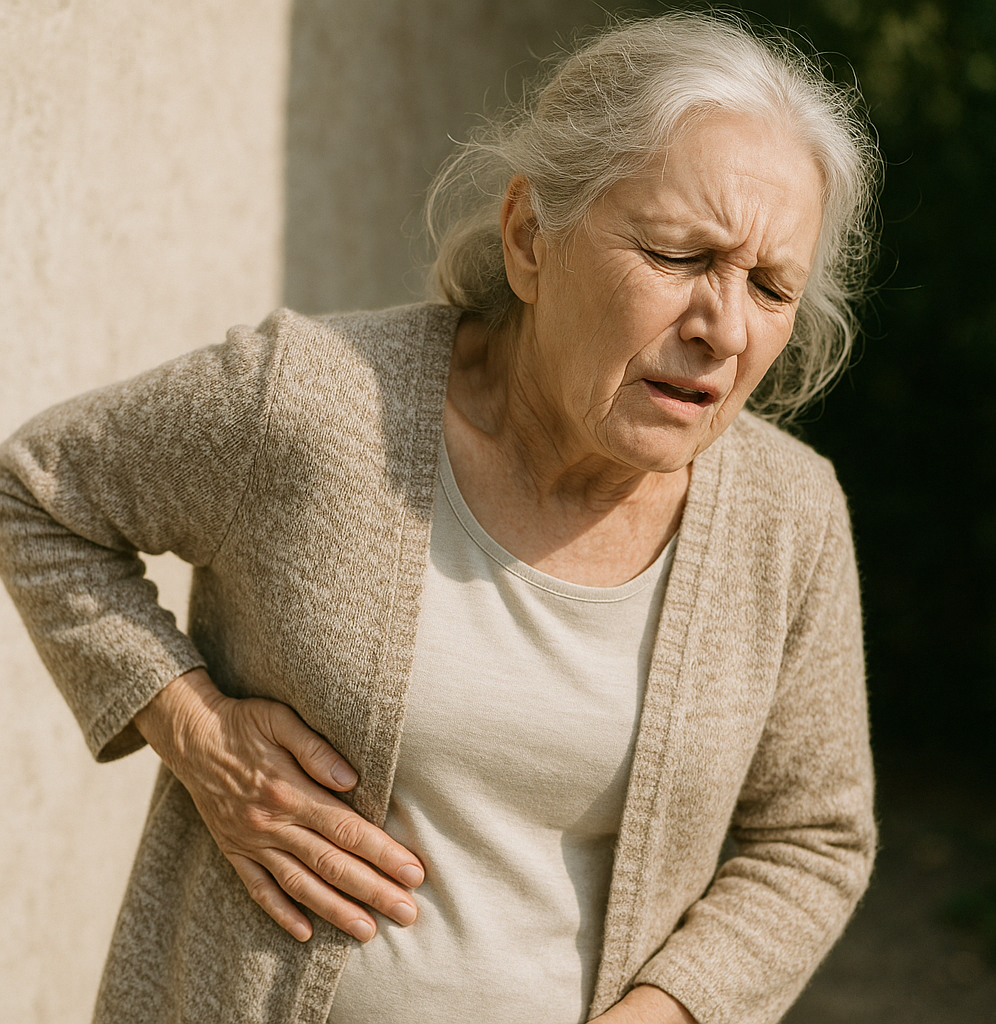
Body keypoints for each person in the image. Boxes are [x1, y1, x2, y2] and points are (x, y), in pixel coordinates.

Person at [0, 12, 879, 1024]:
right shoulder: (314, 401)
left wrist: (671, 1010)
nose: (722, 329)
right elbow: (36, 492)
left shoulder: (789, 516)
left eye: (771, 287)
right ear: (527, 237)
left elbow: (812, 836)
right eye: (679, 257)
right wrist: (196, 727)